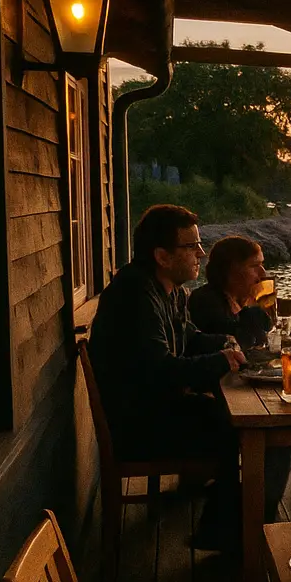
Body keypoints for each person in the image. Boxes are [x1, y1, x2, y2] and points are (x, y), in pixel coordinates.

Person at [88, 205, 245, 550]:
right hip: (139, 428)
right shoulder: (135, 296)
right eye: (191, 247)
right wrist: (221, 361)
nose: (201, 254)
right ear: (161, 255)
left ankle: (225, 526)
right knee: (239, 428)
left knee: (229, 419)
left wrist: (226, 343)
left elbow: (188, 336)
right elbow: (159, 370)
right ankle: (225, 533)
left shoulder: (168, 290)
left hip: (156, 411)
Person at [189, 235, 275, 350]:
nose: (262, 273)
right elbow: (243, 341)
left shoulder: (240, 300)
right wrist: (253, 312)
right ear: (231, 271)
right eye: (254, 266)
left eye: (262, 264)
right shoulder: (206, 302)